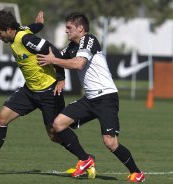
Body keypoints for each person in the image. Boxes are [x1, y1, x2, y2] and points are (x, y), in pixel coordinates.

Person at [37, 12, 145, 182]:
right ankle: (85, 159)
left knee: (110, 142)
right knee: (58, 124)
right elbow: (56, 55)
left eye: (69, 28)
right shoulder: (71, 46)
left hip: (106, 97)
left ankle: (137, 173)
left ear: (80, 29)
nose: (66, 31)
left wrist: (53, 61)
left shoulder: (89, 40)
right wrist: (35, 32)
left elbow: (78, 63)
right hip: (90, 99)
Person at [0, 10, 67, 173]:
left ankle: (85, 158)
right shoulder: (19, 32)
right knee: (1, 118)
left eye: (0, 34)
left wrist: (61, 76)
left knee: (54, 134)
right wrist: (39, 25)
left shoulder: (26, 39)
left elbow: (52, 49)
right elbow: (29, 27)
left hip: (48, 91)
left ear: (9, 29)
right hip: (30, 91)